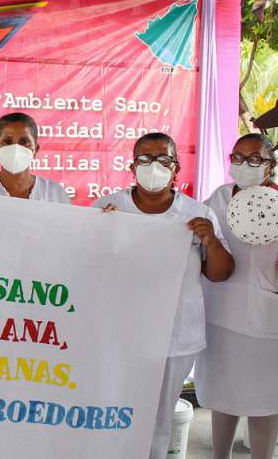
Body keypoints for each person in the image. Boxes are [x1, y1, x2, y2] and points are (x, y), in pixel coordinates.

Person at [92, 132, 234, 459]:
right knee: (114, 409)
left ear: (176, 168)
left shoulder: (197, 214)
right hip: (120, 335)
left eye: (163, 159)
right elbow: (86, 263)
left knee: (158, 418)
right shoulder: (109, 208)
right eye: (145, 159)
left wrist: (210, 240)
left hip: (175, 336)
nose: (153, 166)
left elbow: (221, 273)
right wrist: (98, 229)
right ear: (132, 166)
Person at [194, 134, 278, 459]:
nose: (244, 165)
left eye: (254, 159)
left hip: (267, 318)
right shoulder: (218, 199)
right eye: (237, 157)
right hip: (220, 313)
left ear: (270, 165)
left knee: (264, 399)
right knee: (223, 394)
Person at [0, 112, 70, 203]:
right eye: (8, 141)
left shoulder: (55, 194)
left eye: (24, 142)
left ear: (36, 149)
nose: (16, 148)